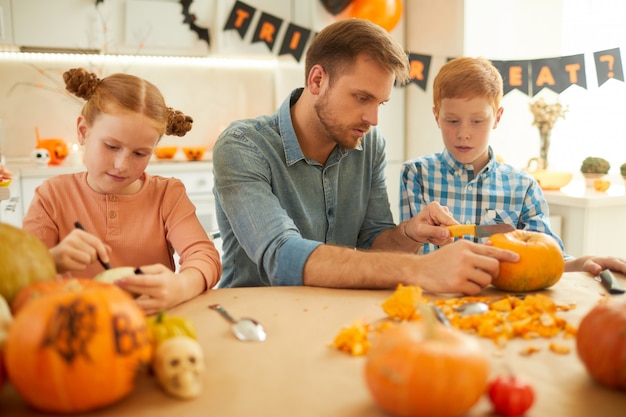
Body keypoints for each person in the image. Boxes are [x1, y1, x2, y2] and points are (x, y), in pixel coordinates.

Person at [212, 19, 519, 295]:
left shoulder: (370, 144)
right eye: (362, 98)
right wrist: (423, 269)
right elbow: (281, 255)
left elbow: (374, 242)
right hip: (251, 320)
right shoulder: (243, 146)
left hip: (336, 315)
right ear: (317, 80)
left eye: (381, 103)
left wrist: (409, 233)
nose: (373, 118)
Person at [400, 56, 626, 276]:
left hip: (505, 307)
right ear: (436, 116)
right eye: (452, 121)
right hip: (435, 300)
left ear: (497, 118)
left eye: (477, 121)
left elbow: (549, 258)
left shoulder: (524, 186)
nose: (463, 134)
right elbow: (408, 253)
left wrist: (584, 263)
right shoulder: (416, 174)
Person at [22, 68, 222, 314]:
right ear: (84, 132)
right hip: (73, 327)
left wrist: (181, 286)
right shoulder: (51, 196)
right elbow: (20, 276)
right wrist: (51, 260)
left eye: (140, 153)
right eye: (111, 146)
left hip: (150, 325)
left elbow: (204, 256)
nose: (122, 165)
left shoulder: (167, 195)